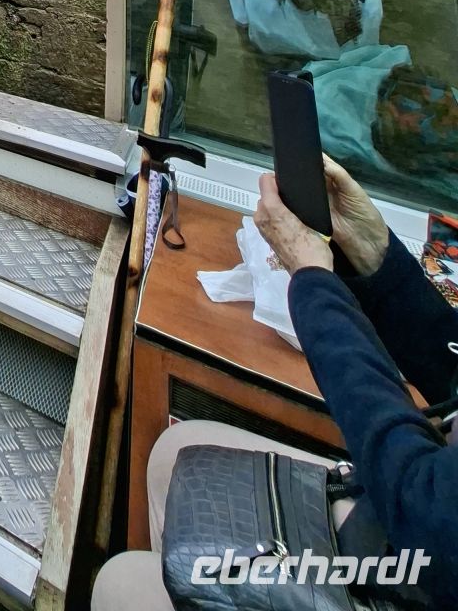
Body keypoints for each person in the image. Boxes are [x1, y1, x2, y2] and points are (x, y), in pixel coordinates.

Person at [91, 155, 458, 608]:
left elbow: (427, 516)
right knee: (174, 451)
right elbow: (451, 369)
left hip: (423, 547)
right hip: (409, 505)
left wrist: (313, 282)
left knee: (122, 583)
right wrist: (373, 253)